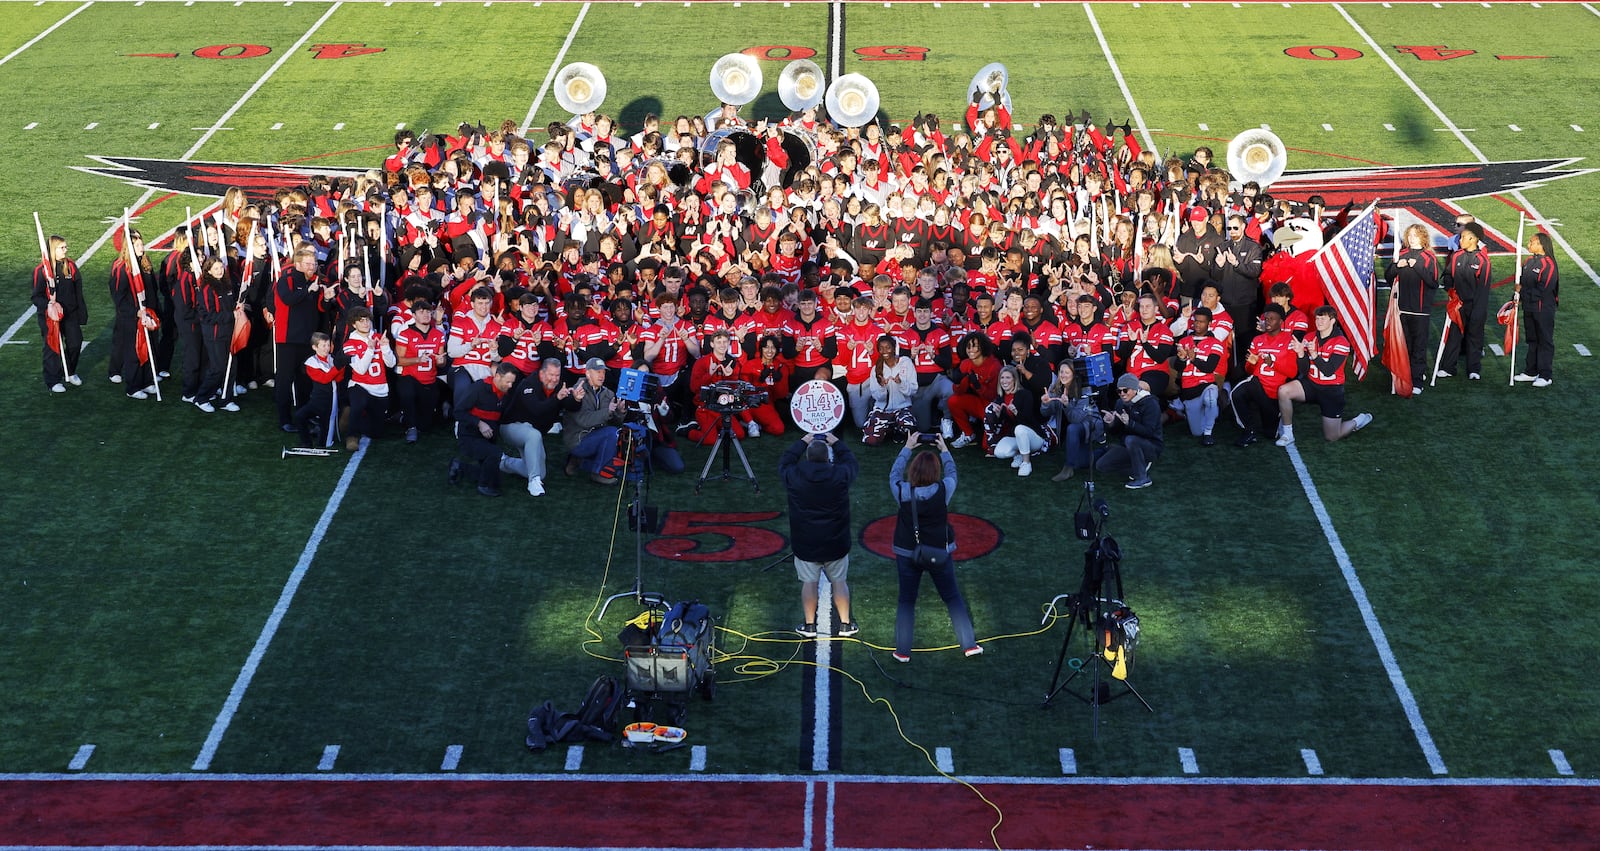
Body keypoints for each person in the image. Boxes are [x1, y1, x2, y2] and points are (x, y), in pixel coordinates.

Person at [888, 432, 980, 661]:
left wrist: (907, 447)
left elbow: (893, 475)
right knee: (952, 597)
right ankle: (969, 645)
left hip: (907, 551)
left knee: (906, 600)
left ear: (914, 471)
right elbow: (953, 473)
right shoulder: (944, 489)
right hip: (939, 552)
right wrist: (945, 450)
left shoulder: (902, 491)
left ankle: (902, 651)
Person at [778, 432, 860, 638]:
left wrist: (803, 440)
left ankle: (810, 626)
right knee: (839, 581)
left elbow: (785, 461)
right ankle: (845, 624)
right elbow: (851, 461)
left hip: (806, 542)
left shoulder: (794, 477)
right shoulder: (839, 475)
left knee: (809, 583)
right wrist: (836, 441)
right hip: (836, 541)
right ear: (827, 458)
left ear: (807, 457)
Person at [1275, 306, 1374, 444]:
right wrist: (1301, 354)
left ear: (1332, 320)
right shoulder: (1309, 337)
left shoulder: (1341, 342)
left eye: (1323, 318)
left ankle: (1357, 421)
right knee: (1283, 391)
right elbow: (1304, 371)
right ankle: (1288, 434)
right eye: (1317, 318)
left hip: (1331, 390)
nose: (1319, 321)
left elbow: (1328, 371)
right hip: (1312, 384)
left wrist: (1314, 354)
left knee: (1332, 436)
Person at [501, 358, 571, 496]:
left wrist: (577, 398)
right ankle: (533, 481)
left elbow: (571, 406)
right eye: (551, 375)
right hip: (510, 426)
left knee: (541, 472)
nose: (554, 379)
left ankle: (503, 463)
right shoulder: (528, 384)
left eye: (557, 375)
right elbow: (537, 409)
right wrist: (557, 398)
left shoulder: (557, 386)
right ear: (542, 373)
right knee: (534, 435)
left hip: (531, 431)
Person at [1383, 224, 1439, 395]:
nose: (1412, 238)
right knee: (1404, 345)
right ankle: (1403, 375)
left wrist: (1418, 267)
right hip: (1401, 309)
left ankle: (1417, 380)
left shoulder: (1429, 257)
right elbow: (1388, 277)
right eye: (1410, 235)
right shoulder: (1401, 254)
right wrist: (1396, 266)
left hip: (1420, 311)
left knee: (1418, 347)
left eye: (1416, 235)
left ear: (1423, 237)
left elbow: (1433, 282)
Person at [452, 361, 518, 497]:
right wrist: (479, 423)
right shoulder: (478, 389)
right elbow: (458, 412)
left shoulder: (505, 394)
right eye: (508, 382)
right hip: (469, 437)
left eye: (512, 383)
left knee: (494, 476)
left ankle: (459, 466)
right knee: (495, 454)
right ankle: (484, 486)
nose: (510, 386)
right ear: (497, 376)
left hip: (487, 439)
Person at [31, 233, 86, 392]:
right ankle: (53, 380)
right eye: (62, 247)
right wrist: (49, 305)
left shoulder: (71, 266)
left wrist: (81, 313)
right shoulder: (42, 270)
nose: (66, 250)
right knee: (52, 348)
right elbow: (36, 296)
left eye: (65, 247)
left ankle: (69, 371)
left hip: (70, 314)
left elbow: (78, 291)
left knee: (76, 342)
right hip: (50, 316)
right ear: (53, 250)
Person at [561, 356, 626, 485]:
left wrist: (619, 412)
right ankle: (597, 472)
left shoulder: (608, 393)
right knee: (611, 433)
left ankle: (579, 461)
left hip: (597, 437)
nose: (601, 375)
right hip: (578, 439)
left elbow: (615, 423)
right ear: (587, 373)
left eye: (603, 372)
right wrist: (607, 412)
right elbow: (584, 420)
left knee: (615, 433)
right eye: (598, 372)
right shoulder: (578, 391)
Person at [1439, 222, 1491, 380]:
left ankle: (1474, 369)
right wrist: (1449, 289)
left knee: (1474, 336)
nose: (1460, 240)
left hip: (1475, 305)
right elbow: (1447, 275)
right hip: (1457, 304)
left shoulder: (1483, 261)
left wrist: (1478, 310)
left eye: (1463, 237)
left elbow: (1484, 289)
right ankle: (1448, 367)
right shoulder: (1456, 256)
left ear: (1473, 239)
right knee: (1453, 335)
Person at [1095, 372, 1162, 490]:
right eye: (1119, 391)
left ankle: (1142, 477)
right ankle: (1139, 465)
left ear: (1135, 389)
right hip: (1127, 445)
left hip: (1151, 446)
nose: (1122, 394)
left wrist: (1129, 423)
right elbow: (1116, 432)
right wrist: (1111, 423)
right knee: (1101, 466)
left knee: (1131, 440)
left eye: (1125, 390)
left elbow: (1149, 432)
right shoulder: (1120, 403)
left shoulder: (1150, 403)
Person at [1039, 359, 1102, 481]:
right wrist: (1045, 403)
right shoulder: (1056, 387)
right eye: (1061, 371)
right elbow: (1045, 413)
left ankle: (1068, 469)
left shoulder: (1084, 389)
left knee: (1072, 428)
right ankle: (1105, 451)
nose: (1063, 375)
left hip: (1089, 425)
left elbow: (1076, 420)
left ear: (1074, 374)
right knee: (1080, 463)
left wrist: (1067, 405)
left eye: (1067, 372)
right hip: (1073, 431)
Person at [1513, 231, 1559, 387]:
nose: (1528, 244)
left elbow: (1543, 289)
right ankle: (1531, 371)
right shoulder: (1529, 261)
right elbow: (1522, 281)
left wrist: (1522, 292)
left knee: (1544, 341)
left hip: (1543, 309)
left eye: (1531, 242)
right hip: (1529, 307)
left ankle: (1545, 375)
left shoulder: (1549, 264)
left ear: (1541, 245)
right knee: (1532, 340)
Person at [984, 365, 1047, 477]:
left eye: (1008, 378)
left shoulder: (1025, 394)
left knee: (1020, 429)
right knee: (999, 452)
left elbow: (1027, 419)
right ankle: (1019, 453)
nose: (1004, 381)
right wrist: (998, 416)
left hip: (1034, 436)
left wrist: (1016, 412)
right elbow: (1002, 423)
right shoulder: (1001, 398)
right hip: (1017, 436)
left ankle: (1026, 463)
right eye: (1002, 378)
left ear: (1014, 379)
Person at [862, 334, 916, 446]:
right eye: (881, 348)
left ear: (894, 348)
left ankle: (897, 429)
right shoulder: (876, 369)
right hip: (883, 410)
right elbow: (878, 397)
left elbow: (913, 390)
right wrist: (882, 386)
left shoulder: (905, 363)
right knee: (870, 440)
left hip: (902, 408)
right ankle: (887, 428)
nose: (884, 351)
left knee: (908, 426)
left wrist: (900, 383)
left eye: (888, 347)